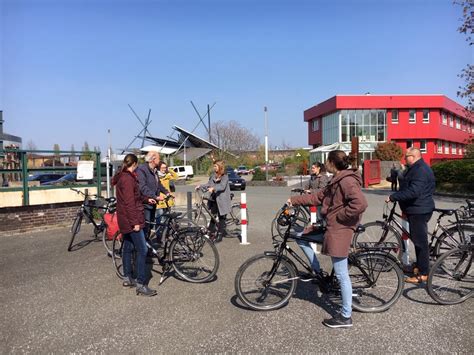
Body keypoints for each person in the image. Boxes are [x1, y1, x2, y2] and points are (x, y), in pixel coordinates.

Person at [288, 150, 368, 328]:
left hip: (340, 229)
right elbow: (317, 197)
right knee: (301, 236)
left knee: (341, 274)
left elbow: (360, 203)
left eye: (327, 161)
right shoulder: (336, 179)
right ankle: (317, 271)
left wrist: (340, 216)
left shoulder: (346, 180)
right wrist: (294, 200)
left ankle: (346, 316)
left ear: (332, 162)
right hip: (331, 227)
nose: (325, 164)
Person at [386, 147, 435, 283]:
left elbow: (414, 191)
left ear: (413, 156)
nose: (404, 158)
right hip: (416, 209)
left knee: (420, 243)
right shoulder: (416, 168)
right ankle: (419, 266)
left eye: (406, 156)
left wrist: (394, 197)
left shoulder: (420, 170)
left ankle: (423, 273)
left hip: (419, 210)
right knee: (417, 240)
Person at [112, 153, 157, 296]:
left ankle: (128, 277)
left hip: (125, 219)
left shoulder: (124, 177)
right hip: (132, 219)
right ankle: (141, 284)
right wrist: (135, 223)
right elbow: (130, 203)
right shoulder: (127, 179)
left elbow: (135, 197)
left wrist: (146, 199)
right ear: (135, 164)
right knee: (142, 250)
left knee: (128, 247)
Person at [136, 151, 170, 238]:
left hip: (153, 202)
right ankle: (141, 248)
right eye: (159, 158)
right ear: (153, 159)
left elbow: (158, 184)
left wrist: (166, 192)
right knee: (145, 227)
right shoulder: (142, 169)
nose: (160, 160)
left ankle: (146, 245)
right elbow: (142, 187)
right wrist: (155, 196)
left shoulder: (154, 170)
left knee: (150, 226)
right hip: (145, 203)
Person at [196, 160, 231, 242]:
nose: (214, 167)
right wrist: (200, 186)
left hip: (222, 199)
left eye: (215, 166)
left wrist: (214, 188)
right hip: (214, 199)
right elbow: (209, 184)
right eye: (214, 166)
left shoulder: (225, 176)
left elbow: (222, 187)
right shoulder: (213, 175)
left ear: (220, 167)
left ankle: (220, 235)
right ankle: (210, 233)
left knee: (222, 217)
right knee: (213, 216)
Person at [155, 161, 179, 242]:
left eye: (165, 168)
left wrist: (169, 170)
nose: (164, 169)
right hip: (160, 201)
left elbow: (176, 177)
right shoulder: (156, 176)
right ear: (158, 168)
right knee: (159, 220)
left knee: (166, 220)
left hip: (167, 201)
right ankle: (158, 235)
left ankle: (165, 235)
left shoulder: (167, 175)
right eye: (162, 168)